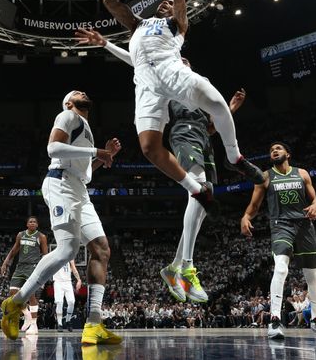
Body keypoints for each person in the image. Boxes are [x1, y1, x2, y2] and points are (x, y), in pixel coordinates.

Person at [74, 27, 243, 303]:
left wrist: (231, 109)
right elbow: (136, 60)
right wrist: (105, 43)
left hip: (201, 137)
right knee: (199, 190)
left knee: (204, 195)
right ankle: (186, 266)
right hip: (183, 132)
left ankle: (175, 265)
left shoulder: (196, 85)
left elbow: (211, 127)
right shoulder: (166, 76)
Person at [101, 0, 263, 202]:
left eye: (169, 5)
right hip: (145, 85)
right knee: (149, 149)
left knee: (219, 106)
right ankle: (196, 189)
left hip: (173, 72)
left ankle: (234, 157)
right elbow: (110, 0)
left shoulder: (177, 25)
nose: (165, 4)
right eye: (162, 4)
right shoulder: (137, 25)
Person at [0, 91, 123, 346]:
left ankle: (94, 323)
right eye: (77, 93)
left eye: (84, 92)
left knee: (101, 249)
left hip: (79, 188)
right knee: (68, 250)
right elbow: (53, 148)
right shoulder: (68, 115)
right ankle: (15, 303)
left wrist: (103, 156)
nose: (83, 93)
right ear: (68, 103)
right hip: (60, 183)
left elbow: (85, 171)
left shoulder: (86, 129)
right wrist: (97, 151)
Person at [240, 142, 316, 340]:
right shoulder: (265, 176)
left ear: (288, 154)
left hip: (304, 226)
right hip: (281, 224)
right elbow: (254, 204)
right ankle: (274, 320)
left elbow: (314, 199)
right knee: (281, 268)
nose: (274, 150)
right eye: (271, 149)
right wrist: (246, 217)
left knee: (313, 276)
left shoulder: (302, 173)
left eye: (278, 148)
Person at [0, 216, 49, 335]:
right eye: (30, 221)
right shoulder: (20, 235)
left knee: (31, 295)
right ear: (27, 224)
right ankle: (27, 315)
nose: (32, 223)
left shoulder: (41, 237)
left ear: (37, 225)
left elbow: (46, 255)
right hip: (20, 267)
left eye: (34, 222)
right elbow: (14, 250)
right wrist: (5, 263)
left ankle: (34, 324)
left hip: (33, 267)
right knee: (13, 293)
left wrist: (43, 272)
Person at [53, 259, 82, 331]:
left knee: (72, 301)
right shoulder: (55, 256)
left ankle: (68, 321)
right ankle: (59, 324)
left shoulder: (70, 256)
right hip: (58, 282)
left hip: (68, 282)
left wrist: (79, 280)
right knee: (59, 302)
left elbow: (74, 268)